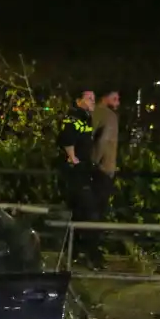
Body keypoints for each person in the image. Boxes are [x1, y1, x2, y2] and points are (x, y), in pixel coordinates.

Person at [56, 89, 106, 269]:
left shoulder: (85, 118)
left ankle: (73, 254)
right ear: (78, 101)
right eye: (89, 99)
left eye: (94, 98)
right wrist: (72, 157)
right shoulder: (74, 118)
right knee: (90, 213)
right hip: (76, 175)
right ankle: (93, 257)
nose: (93, 101)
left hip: (83, 173)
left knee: (78, 214)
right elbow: (66, 138)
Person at [92, 89, 121, 219]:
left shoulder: (92, 113)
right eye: (114, 99)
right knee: (98, 211)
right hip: (103, 169)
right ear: (104, 98)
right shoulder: (109, 116)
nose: (118, 103)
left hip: (93, 168)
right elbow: (103, 140)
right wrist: (95, 162)